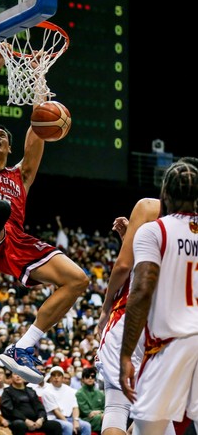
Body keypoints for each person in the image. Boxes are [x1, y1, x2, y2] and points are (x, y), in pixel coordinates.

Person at [0, 45, 89, 384]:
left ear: (10, 148)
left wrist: (40, 78)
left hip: (14, 241)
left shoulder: (21, 176)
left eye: (2, 136)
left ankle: (23, 348)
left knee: (78, 280)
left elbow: (38, 128)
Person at [97, 158, 198, 435]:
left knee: (118, 405)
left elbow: (132, 277)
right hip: (186, 332)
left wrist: (106, 310)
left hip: (147, 324)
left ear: (165, 191)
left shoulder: (153, 223)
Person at [41, 365, 92, 435]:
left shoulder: (70, 390)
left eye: (59, 375)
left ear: (62, 378)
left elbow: (75, 407)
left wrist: (76, 420)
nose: (56, 377)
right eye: (53, 375)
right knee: (68, 426)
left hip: (70, 417)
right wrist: (70, 423)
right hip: (54, 419)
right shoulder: (46, 391)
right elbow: (56, 411)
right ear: (50, 378)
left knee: (86, 425)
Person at [76, 367, 105, 433]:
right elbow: (86, 412)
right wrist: (100, 413)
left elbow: (105, 408)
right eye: (87, 376)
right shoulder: (79, 393)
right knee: (104, 417)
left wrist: (98, 412)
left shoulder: (100, 393)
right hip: (86, 419)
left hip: (101, 416)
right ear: (83, 379)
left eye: (92, 376)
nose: (90, 378)